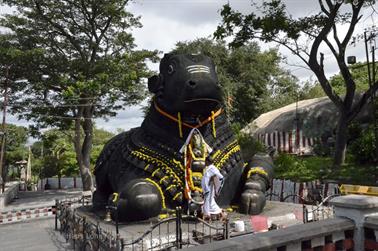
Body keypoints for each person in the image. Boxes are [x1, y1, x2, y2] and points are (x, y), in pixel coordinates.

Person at [201, 156, 226, 221]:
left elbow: (218, 178)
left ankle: (210, 215)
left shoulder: (212, 169)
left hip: (209, 189)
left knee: (208, 202)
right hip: (207, 189)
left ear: (207, 161)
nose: (204, 162)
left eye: (205, 161)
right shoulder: (209, 168)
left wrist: (216, 190)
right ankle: (210, 215)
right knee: (209, 203)